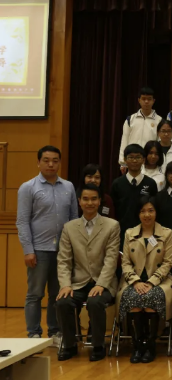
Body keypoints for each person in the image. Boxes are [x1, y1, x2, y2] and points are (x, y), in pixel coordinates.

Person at [17, 146, 78, 344]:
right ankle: (33, 334)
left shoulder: (68, 187)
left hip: (62, 251)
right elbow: (22, 221)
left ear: (59, 162)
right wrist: (28, 250)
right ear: (38, 162)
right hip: (38, 250)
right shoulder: (28, 187)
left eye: (55, 160)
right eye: (46, 160)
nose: (51, 164)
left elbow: (74, 219)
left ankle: (55, 332)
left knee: (57, 294)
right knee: (35, 294)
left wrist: (73, 249)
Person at [56, 184, 119, 361]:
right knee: (63, 302)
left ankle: (98, 345)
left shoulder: (112, 225)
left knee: (95, 301)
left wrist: (101, 284)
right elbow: (64, 260)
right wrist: (65, 285)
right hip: (78, 282)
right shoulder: (69, 227)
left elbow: (111, 259)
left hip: (103, 281)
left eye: (93, 199)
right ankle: (70, 345)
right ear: (79, 201)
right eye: (85, 199)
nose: (89, 203)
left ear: (99, 201)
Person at [117, 195, 172, 364]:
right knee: (133, 298)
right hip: (133, 280)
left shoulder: (166, 233)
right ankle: (137, 346)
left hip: (159, 280)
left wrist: (151, 282)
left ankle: (150, 346)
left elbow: (168, 262)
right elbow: (125, 263)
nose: (147, 215)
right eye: (143, 211)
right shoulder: (130, 233)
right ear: (138, 213)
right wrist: (135, 281)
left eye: (151, 210)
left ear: (156, 212)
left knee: (152, 297)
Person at [111, 144, 158, 248]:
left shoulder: (150, 183)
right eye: (131, 157)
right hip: (121, 232)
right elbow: (113, 210)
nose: (134, 160)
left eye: (138, 157)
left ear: (143, 160)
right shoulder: (117, 183)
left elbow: (154, 209)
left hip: (145, 232)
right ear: (125, 160)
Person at [119, 87, 163, 172]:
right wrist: (122, 162)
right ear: (139, 100)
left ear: (153, 101)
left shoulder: (159, 121)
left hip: (150, 162)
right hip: (132, 161)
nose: (146, 101)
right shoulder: (130, 119)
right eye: (143, 99)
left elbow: (159, 144)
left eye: (149, 99)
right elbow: (124, 140)